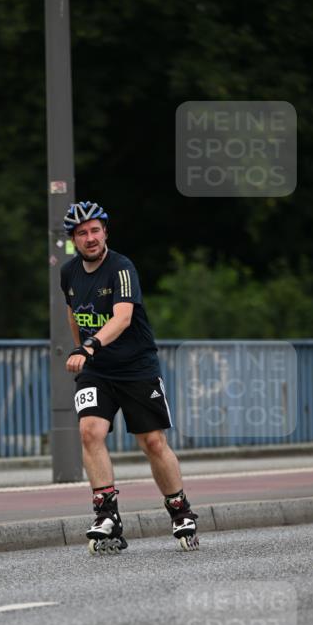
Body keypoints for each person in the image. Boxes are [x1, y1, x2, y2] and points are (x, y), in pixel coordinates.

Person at [60, 200, 199, 552]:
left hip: (136, 368)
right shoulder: (68, 272)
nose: (90, 238)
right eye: (82, 233)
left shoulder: (122, 268)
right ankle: (107, 514)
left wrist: (89, 346)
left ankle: (180, 509)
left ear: (105, 232)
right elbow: (73, 315)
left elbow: (122, 318)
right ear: (73, 240)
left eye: (95, 230)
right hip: (97, 370)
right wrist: (82, 351)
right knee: (90, 432)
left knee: (152, 441)